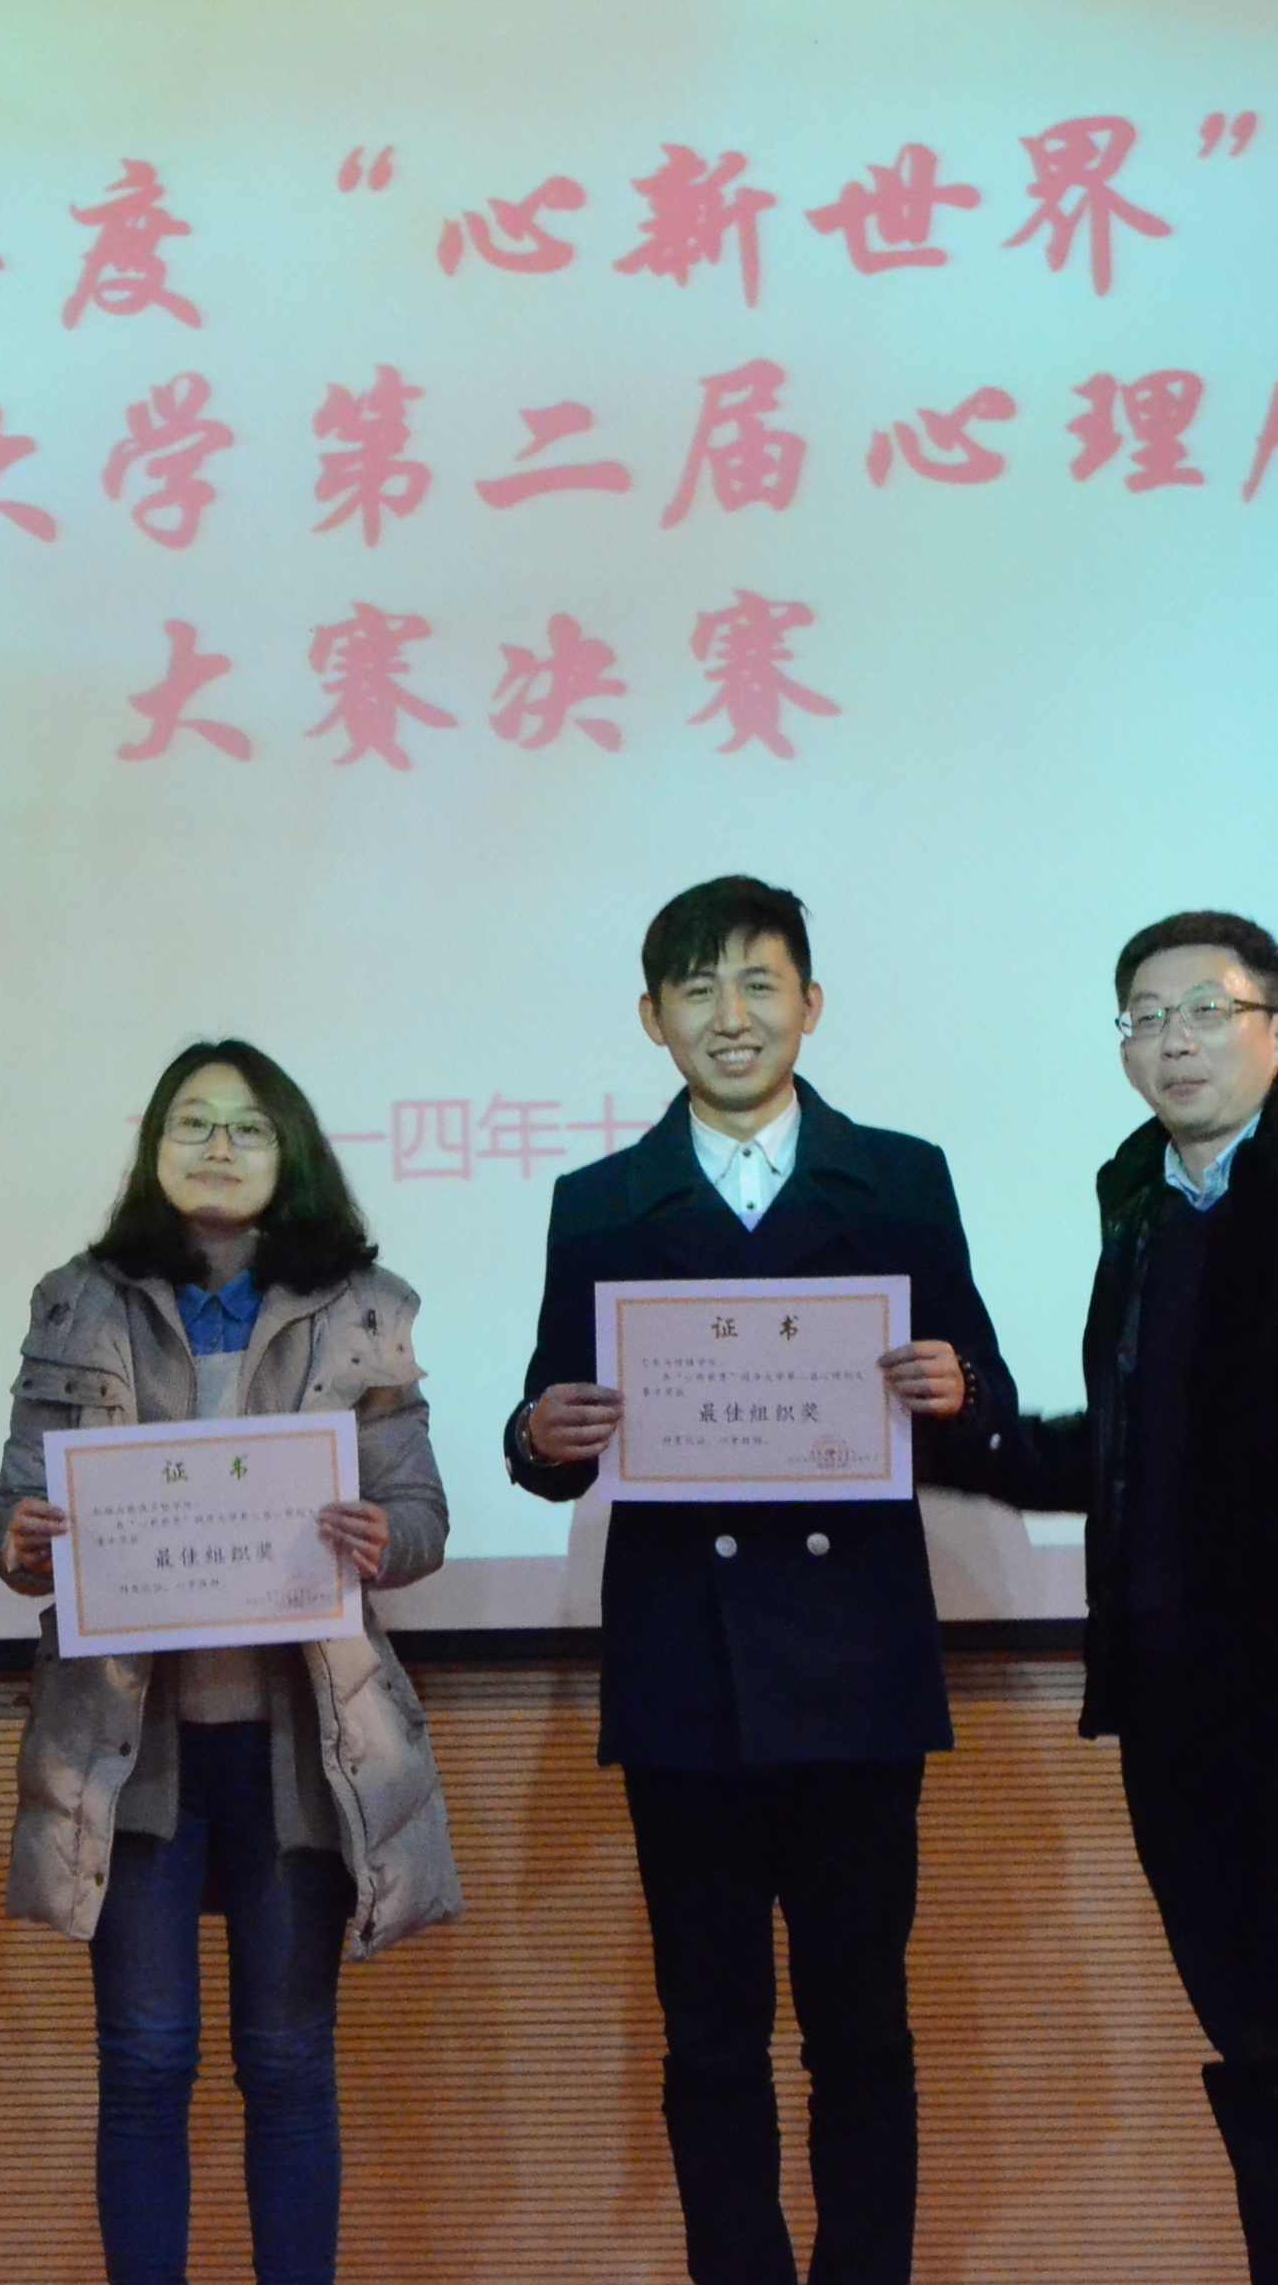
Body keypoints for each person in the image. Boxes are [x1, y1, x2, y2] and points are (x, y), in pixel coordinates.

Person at [948, 912, 1278, 2284]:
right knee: (1255, 2052)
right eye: (1145, 1017)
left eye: (1206, 1010)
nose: (1173, 1041)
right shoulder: (1139, 1201)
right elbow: (1140, 1442)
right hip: (1173, 1700)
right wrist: (967, 1434)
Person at [504, 877, 1021, 2285]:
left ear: (810, 1002)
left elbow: (980, 1392)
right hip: (688, 1676)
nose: (729, 1017)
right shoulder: (600, 1204)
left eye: (757, 983)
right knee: (712, 2037)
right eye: (697, 990)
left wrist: (962, 1388)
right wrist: (539, 1435)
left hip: (855, 1669)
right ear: (652, 1019)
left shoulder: (900, 1178)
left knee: (863, 2030)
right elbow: (549, 1429)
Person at [0, 1040, 460, 2285]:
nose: (218, 1146)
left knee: (288, 2062)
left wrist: (382, 1534)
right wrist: (23, 1539)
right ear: (153, 1148)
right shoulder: (77, 1300)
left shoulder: (363, 1304)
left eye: (248, 1127)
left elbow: (420, 1513)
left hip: (302, 1742)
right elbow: (17, 1518)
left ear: (289, 1152)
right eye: (191, 1123)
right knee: (146, 2062)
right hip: (130, 1743)